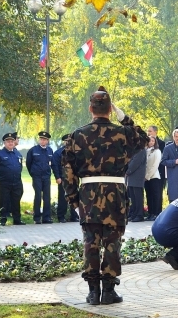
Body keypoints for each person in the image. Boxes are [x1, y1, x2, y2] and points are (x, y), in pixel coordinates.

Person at [62, 86, 146, 306]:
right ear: (109, 110)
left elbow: (68, 170)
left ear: (91, 109)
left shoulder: (77, 135)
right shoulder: (123, 133)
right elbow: (143, 138)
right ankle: (108, 291)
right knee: (112, 242)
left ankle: (92, 292)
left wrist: (73, 199)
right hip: (115, 195)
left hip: (88, 196)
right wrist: (123, 116)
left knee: (91, 242)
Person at [0, 132, 25, 226]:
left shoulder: (17, 153)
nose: (10, 143)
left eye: (12, 141)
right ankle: (2, 220)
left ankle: (17, 219)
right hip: (5, 182)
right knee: (3, 201)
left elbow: (20, 167)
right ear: (4, 143)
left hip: (17, 181)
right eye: (8, 141)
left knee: (16, 201)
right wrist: (1, 177)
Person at [27, 131, 54, 224]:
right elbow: (28, 163)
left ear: (47, 141)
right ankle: (37, 218)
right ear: (39, 139)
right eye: (41, 139)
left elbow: (51, 163)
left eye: (45, 139)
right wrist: (33, 173)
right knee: (38, 196)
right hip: (37, 176)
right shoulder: (33, 150)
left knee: (47, 197)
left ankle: (46, 217)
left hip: (46, 176)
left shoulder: (50, 150)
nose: (43, 141)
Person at [53, 134, 78, 223]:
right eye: (66, 141)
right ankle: (61, 216)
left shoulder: (75, 151)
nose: (68, 142)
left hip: (73, 178)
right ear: (63, 142)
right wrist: (57, 177)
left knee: (74, 196)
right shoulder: (58, 153)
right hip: (63, 178)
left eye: (69, 141)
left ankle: (74, 216)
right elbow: (55, 165)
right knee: (62, 198)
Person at [143, 133, 164, 222]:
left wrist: (147, 176)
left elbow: (155, 165)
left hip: (154, 177)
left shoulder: (157, 151)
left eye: (153, 141)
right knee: (149, 196)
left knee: (155, 196)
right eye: (149, 140)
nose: (151, 142)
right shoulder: (145, 151)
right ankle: (150, 213)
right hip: (146, 178)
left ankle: (156, 213)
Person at [126, 143, 148, 222]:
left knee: (138, 197)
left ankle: (139, 215)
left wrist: (127, 171)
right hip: (132, 176)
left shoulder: (140, 149)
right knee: (133, 197)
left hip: (137, 176)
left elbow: (136, 162)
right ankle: (134, 214)